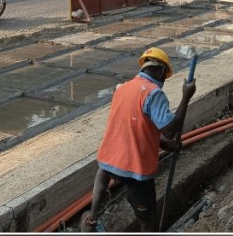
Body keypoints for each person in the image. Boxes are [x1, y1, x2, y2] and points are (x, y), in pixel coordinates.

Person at [81, 48, 196, 232]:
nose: (163, 82)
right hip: (136, 167)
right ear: (160, 71)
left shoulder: (122, 88)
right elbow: (169, 130)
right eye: (165, 77)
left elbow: (136, 126)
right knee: (147, 220)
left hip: (110, 158)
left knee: (103, 174)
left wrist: (165, 145)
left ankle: (91, 220)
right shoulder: (153, 94)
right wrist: (186, 97)